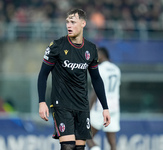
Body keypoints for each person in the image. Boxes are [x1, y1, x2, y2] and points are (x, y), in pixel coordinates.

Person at [37, 8, 111, 150]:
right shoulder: (57, 46)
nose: (68, 25)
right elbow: (43, 75)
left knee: (79, 148)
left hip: (82, 106)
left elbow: (96, 79)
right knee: (68, 146)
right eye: (67, 22)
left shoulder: (91, 49)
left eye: (72, 22)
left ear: (83, 23)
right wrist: (42, 102)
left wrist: (105, 108)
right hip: (62, 104)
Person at [87, 47, 121, 150]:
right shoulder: (116, 69)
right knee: (112, 141)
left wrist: (87, 109)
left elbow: (96, 91)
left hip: (100, 106)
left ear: (101, 55)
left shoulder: (99, 69)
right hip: (114, 107)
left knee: (86, 135)